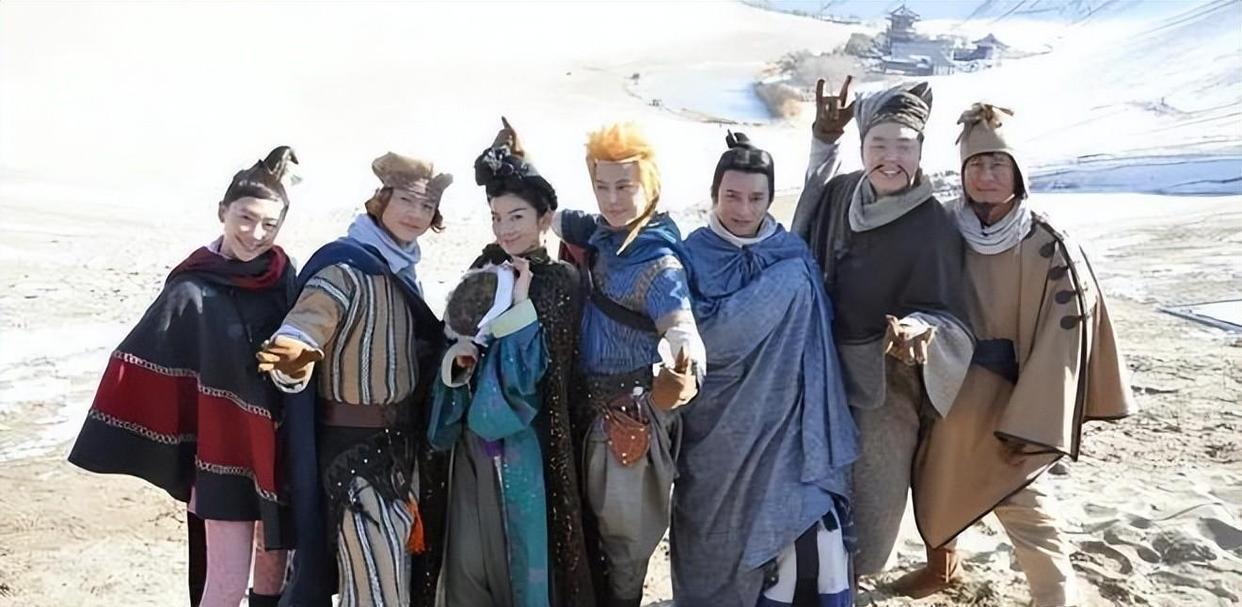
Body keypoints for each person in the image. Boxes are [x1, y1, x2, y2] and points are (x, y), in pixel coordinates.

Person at [896, 103, 1136, 606]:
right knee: (935, 478)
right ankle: (943, 565)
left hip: (1015, 395)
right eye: (976, 165)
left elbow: (1064, 340)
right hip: (949, 384)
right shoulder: (943, 228)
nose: (986, 176)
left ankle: (1055, 595)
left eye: (997, 164)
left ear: (1017, 173)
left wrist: (1032, 422)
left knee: (1023, 501)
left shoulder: (1046, 243)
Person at [69, 147, 301, 607]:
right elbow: (143, 360)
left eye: (269, 224)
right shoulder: (192, 287)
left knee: (275, 573)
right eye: (245, 218)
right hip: (222, 457)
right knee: (226, 585)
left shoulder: (283, 275)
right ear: (222, 212)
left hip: (279, 450)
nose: (256, 234)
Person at [790, 78, 975, 576]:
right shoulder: (842, 193)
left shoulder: (934, 224)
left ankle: (856, 575)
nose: (891, 158)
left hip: (887, 384)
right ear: (862, 147)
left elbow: (951, 312)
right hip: (823, 369)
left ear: (921, 151)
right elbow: (803, 223)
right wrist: (823, 141)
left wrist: (920, 329)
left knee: (872, 512)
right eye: (879, 145)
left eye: (904, 146)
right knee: (809, 490)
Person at [256, 151, 452, 607]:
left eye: (426, 206)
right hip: (351, 457)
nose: (415, 214)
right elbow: (310, 320)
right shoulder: (344, 267)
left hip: (401, 455)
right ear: (381, 200)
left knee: (389, 582)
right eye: (406, 200)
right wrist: (295, 352)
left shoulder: (405, 273)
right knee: (376, 588)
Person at [672, 131, 858, 607]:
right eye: (732, 195)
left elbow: (816, 337)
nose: (743, 209)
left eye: (756, 197)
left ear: (771, 198)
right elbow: (696, 336)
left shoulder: (792, 257)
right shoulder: (690, 255)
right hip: (717, 437)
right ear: (714, 193)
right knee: (715, 555)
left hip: (790, 432)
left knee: (816, 541)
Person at [428, 118, 596, 606]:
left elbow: (530, 384)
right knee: (469, 568)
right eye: (497, 217)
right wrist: (457, 364)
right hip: (472, 449)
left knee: (524, 567)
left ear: (545, 218)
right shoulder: (482, 270)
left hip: (530, 448)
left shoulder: (560, 281)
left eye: (517, 216)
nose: (505, 229)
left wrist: (520, 310)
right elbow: (453, 349)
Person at [554, 121, 704, 607]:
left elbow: (682, 330)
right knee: (581, 534)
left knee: (624, 549)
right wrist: (519, 160)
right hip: (581, 413)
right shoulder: (600, 234)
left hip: (628, 421)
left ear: (650, 183)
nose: (612, 199)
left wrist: (682, 375)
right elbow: (550, 213)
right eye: (602, 186)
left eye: (625, 186)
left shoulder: (659, 263)